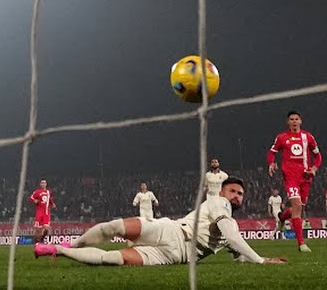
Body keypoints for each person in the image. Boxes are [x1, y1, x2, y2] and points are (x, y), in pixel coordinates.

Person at [35, 177, 287, 266]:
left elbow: (235, 247)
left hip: (173, 256)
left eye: (240, 194)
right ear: (222, 192)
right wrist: (261, 260)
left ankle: (58, 249)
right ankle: (72, 245)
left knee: (111, 259)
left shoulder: (230, 223)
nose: (237, 196)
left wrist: (247, 258)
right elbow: (231, 236)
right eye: (233, 191)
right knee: (112, 227)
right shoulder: (218, 203)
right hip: (170, 231)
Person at [267, 110, 321, 253]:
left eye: (296, 119)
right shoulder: (282, 137)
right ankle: (301, 243)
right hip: (290, 177)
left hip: (306, 177)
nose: (294, 121)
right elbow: (272, 152)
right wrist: (271, 163)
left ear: (300, 121)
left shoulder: (308, 137)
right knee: (297, 205)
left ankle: (282, 217)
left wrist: (314, 168)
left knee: (298, 208)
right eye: (291, 119)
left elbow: (318, 156)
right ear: (288, 122)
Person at [29, 178, 56, 244]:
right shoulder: (37, 192)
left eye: (44, 183)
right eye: (42, 183)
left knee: (47, 228)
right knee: (38, 230)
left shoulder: (49, 192)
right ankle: (36, 242)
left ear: (46, 184)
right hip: (39, 213)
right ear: (40, 184)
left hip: (46, 213)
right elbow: (30, 198)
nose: (43, 184)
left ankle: (42, 239)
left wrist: (52, 204)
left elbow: (49, 199)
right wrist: (34, 200)